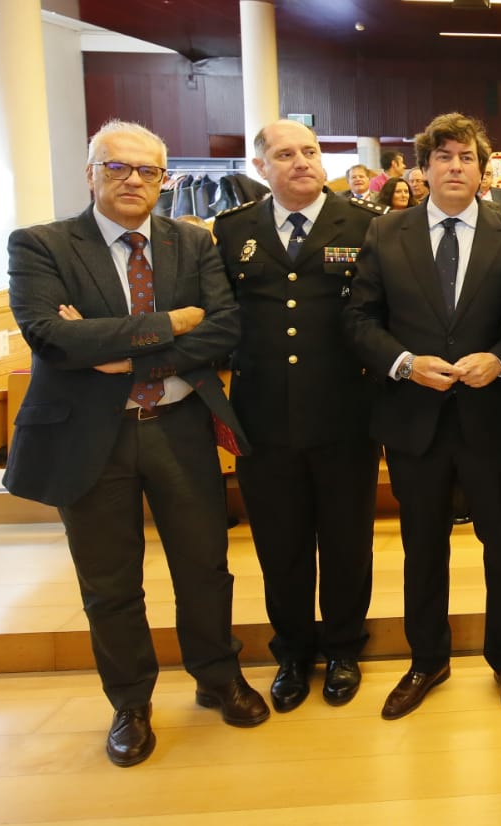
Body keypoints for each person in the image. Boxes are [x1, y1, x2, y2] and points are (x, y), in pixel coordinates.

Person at [3, 119, 266, 767]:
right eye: (117, 167)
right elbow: (51, 337)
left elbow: (225, 329)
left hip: (178, 427)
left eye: (147, 170)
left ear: (163, 179)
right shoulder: (41, 245)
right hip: (89, 438)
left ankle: (217, 677)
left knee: (204, 566)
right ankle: (129, 702)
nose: (132, 180)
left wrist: (125, 354)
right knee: (109, 582)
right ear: (89, 172)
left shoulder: (191, 243)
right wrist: (169, 325)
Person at [345, 112, 501, 718]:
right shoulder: (386, 233)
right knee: (421, 545)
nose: (456, 167)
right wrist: (402, 362)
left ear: (484, 170)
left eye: (468, 158)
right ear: (423, 168)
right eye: (445, 156)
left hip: (492, 416)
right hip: (413, 419)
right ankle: (427, 659)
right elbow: (357, 320)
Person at [212, 120, 382, 712]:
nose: (302, 162)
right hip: (262, 418)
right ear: (261, 166)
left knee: (345, 539)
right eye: (286, 154)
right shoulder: (233, 232)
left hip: (344, 414)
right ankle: (292, 652)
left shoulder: (364, 226)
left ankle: (342, 648)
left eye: (310, 151)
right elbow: (221, 318)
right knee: (279, 545)